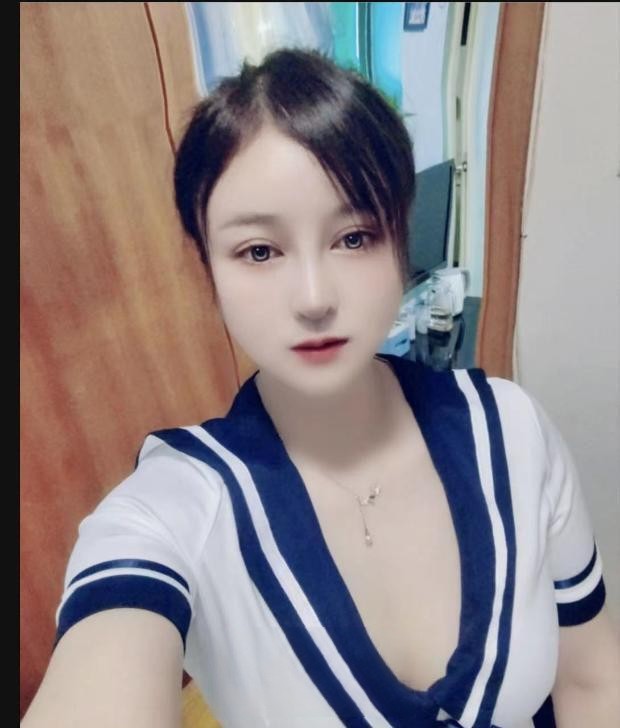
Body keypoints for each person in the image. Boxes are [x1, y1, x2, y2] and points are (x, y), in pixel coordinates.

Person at [22, 47, 619, 728]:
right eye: (259, 251)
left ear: (402, 237)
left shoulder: (513, 432)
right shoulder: (174, 509)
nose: (313, 298)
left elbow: (594, 680)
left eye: (354, 237)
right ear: (209, 267)